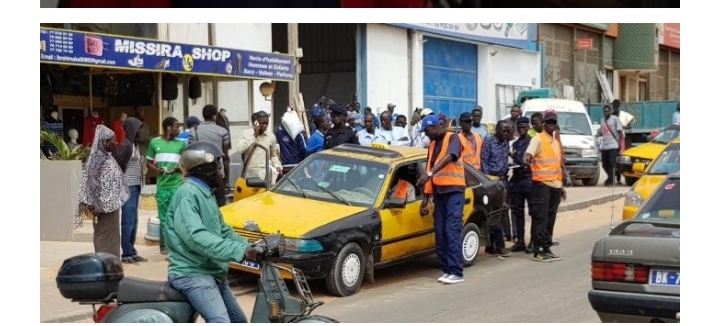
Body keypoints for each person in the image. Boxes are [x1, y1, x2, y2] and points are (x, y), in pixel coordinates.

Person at [165, 141, 258, 323]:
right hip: (192, 272)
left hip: (212, 270)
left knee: (239, 321)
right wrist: (239, 252)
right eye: (217, 165)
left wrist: (251, 247)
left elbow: (223, 231)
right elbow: (196, 237)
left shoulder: (205, 193)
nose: (221, 170)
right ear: (204, 169)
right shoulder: (188, 193)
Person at [416, 115, 466, 285]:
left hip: (454, 191)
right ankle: (446, 269)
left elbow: (450, 157)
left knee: (452, 230)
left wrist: (428, 174)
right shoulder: (432, 145)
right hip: (439, 193)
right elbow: (429, 168)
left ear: (436, 126)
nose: (426, 135)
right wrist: (425, 197)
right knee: (440, 231)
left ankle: (456, 271)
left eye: (427, 131)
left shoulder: (453, 138)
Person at [74, 125, 129, 258]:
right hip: (101, 209)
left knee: (113, 238)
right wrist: (93, 205)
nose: (117, 143)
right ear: (105, 142)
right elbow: (90, 183)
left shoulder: (107, 157)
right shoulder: (97, 159)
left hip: (111, 206)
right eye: (114, 140)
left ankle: (112, 265)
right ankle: (105, 265)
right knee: (104, 239)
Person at [523, 111, 566, 262]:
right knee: (541, 218)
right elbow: (527, 156)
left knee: (550, 218)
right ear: (544, 123)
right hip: (541, 185)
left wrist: (561, 186)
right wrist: (528, 163)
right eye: (548, 122)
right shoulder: (537, 139)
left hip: (555, 184)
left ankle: (546, 247)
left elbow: (558, 164)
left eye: (553, 123)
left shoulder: (555, 142)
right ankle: (538, 249)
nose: (551, 125)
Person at [146, 117, 186, 255]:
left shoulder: (181, 144)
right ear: (168, 128)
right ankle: (164, 246)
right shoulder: (154, 142)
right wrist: (158, 170)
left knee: (177, 217)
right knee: (164, 219)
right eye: (176, 127)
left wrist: (177, 169)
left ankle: (176, 247)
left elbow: (185, 164)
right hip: (162, 186)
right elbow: (149, 163)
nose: (179, 129)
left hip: (177, 185)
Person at [114, 117, 148, 263]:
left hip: (136, 186)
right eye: (138, 128)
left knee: (134, 220)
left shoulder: (135, 145)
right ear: (132, 129)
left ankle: (131, 251)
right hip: (128, 187)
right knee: (128, 221)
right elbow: (117, 164)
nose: (141, 131)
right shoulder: (126, 146)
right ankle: (126, 253)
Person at [481, 120, 512, 257]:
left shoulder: (506, 143)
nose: (506, 133)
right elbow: (484, 161)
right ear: (497, 130)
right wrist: (489, 181)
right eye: (504, 131)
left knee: (501, 211)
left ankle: (492, 245)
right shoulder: (488, 142)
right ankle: (498, 245)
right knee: (495, 213)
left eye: (508, 131)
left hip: (503, 180)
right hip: (492, 181)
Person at [189, 105, 231, 206]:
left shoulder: (193, 131)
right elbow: (225, 157)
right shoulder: (223, 131)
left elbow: (192, 153)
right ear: (214, 116)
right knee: (220, 206)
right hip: (217, 173)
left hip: (199, 175)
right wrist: (227, 181)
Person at [237, 111, 283, 186]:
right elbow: (240, 149)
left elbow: (273, 155)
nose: (265, 126)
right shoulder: (245, 134)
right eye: (263, 123)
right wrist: (254, 136)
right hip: (249, 174)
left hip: (264, 175)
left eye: (266, 124)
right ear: (256, 122)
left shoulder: (271, 137)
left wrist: (277, 166)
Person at [508, 117, 533, 253]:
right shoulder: (516, 144)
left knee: (533, 212)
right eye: (519, 127)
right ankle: (520, 241)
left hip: (529, 180)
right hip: (517, 180)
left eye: (524, 126)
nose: (521, 129)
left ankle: (533, 241)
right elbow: (515, 158)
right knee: (517, 212)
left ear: (528, 127)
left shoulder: (533, 142)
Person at [596, 105, 624, 186]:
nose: (606, 113)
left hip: (613, 145)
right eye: (604, 111)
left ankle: (611, 182)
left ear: (610, 111)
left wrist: (619, 143)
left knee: (612, 163)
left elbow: (620, 132)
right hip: (605, 145)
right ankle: (611, 177)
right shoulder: (602, 120)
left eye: (607, 111)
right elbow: (601, 131)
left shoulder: (615, 119)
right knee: (605, 164)